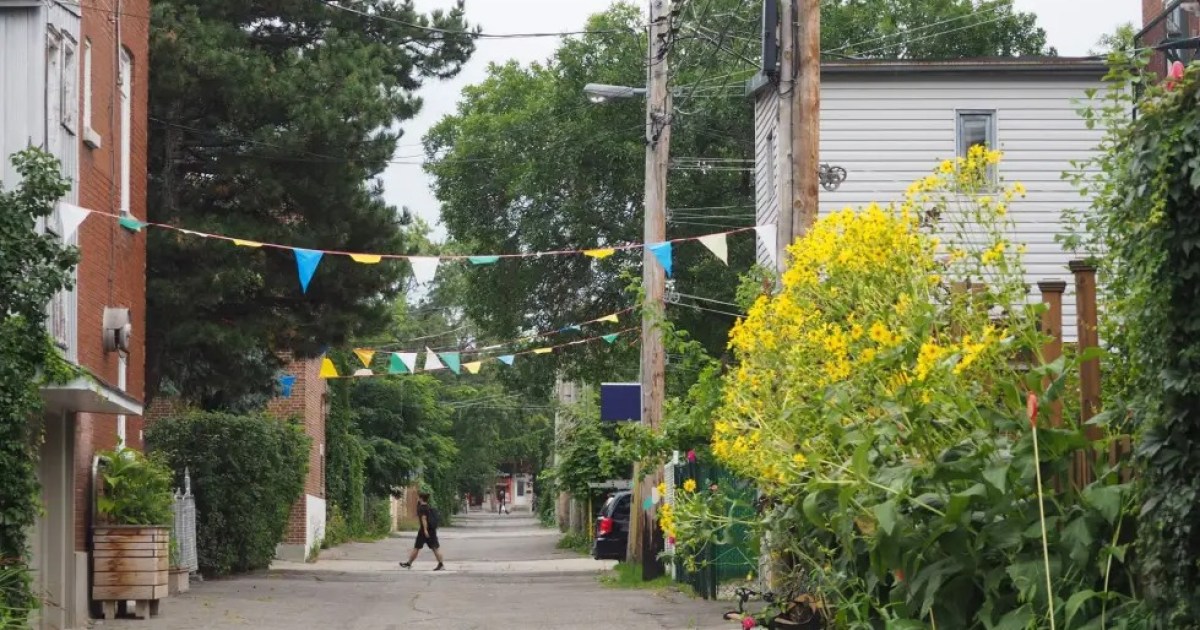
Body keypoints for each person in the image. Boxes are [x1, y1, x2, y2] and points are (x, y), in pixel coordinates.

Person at [399, 493, 444, 571]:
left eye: (418, 498)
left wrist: (425, 530)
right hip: (431, 530)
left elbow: (424, 519)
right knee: (433, 547)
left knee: (419, 547)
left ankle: (441, 564)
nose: (417, 499)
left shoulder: (422, 508)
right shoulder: (428, 507)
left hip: (424, 531)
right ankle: (409, 563)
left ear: (421, 498)